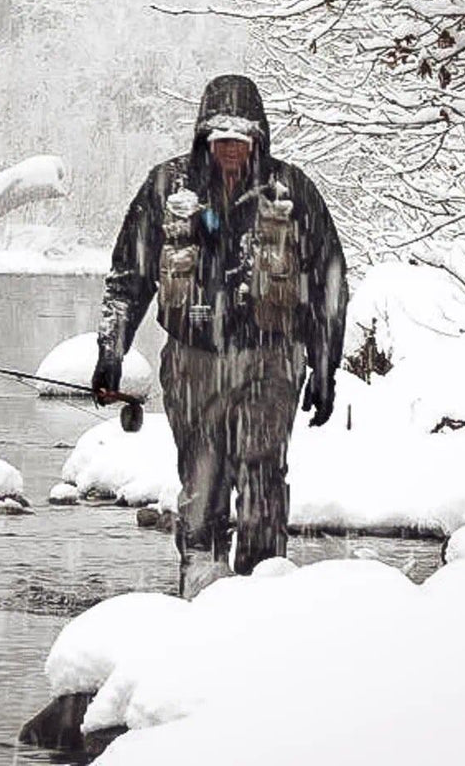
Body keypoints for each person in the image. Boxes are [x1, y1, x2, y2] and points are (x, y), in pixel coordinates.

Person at [93, 74, 347, 597]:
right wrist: (111, 352)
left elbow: (329, 284)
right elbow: (128, 277)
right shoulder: (167, 188)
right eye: (220, 138)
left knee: (262, 488)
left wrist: (325, 365)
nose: (231, 149)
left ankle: (260, 600)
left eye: (241, 139)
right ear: (203, 138)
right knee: (202, 487)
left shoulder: (292, 191)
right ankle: (199, 597)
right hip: (194, 363)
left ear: (259, 139)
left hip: (271, 363)